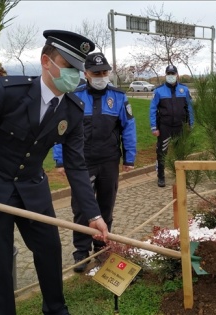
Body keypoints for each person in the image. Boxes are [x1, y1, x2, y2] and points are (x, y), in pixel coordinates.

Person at [0, 30, 109, 315]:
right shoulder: (8, 92)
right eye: (68, 65)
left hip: (33, 186)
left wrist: (94, 215)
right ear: (46, 61)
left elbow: (76, 165)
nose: (75, 74)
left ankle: (56, 309)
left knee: (49, 249)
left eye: (78, 68)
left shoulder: (72, 109)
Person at [53, 52, 136, 272]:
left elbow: (128, 127)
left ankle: (102, 247)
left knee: (106, 206)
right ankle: (81, 251)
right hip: (81, 163)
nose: (101, 76)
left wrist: (129, 157)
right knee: (81, 208)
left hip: (109, 161)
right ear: (86, 74)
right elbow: (61, 127)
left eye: (104, 72)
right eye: (95, 73)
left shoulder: (118, 97)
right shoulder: (73, 95)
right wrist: (60, 160)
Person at [149, 65, 194, 187]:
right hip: (165, 127)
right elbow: (152, 110)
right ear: (165, 75)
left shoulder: (184, 90)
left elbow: (190, 108)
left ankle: (182, 176)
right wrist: (154, 127)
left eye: (173, 73)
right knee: (162, 152)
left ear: (177, 75)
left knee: (181, 152)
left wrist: (191, 124)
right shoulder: (158, 91)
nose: (171, 76)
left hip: (180, 126)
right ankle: (161, 177)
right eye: (168, 73)